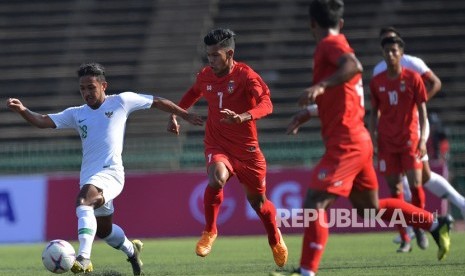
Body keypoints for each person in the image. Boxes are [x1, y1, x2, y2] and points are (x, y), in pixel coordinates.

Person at [271, 1, 452, 275]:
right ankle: (435, 224)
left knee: (315, 203)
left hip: (347, 143)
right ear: (341, 23)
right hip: (359, 138)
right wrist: (311, 110)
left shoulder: (328, 45)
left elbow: (353, 66)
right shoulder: (339, 44)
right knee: (370, 207)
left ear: (312, 24)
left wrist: (320, 85)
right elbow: (343, 96)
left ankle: (306, 271)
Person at [6, 63, 204, 275]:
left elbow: (156, 101)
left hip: (112, 174)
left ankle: (83, 258)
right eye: (82, 88)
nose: (86, 93)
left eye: (91, 87)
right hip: (89, 177)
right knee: (104, 230)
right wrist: (22, 110)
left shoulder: (121, 102)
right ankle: (132, 251)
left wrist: (184, 115)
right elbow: (43, 121)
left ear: (103, 86)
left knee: (83, 202)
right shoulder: (76, 113)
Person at [167, 28, 288, 267]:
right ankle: (210, 231)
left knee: (259, 205)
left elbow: (267, 104)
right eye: (208, 56)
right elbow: (193, 93)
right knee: (217, 178)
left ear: (229, 53)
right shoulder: (205, 76)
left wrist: (244, 116)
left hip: (247, 151)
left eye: (215, 56)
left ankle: (274, 237)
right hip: (217, 143)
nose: (210, 61)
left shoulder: (246, 76)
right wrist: (176, 114)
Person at [373, 27, 465, 245]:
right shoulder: (378, 70)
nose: (390, 48)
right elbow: (378, 103)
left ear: (399, 45)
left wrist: (413, 104)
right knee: (410, 181)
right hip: (390, 134)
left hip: (412, 130)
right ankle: (417, 226)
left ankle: (424, 223)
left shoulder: (412, 64)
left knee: (419, 178)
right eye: (385, 43)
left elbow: (435, 83)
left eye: (393, 42)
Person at [369, 36, 429, 253]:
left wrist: (422, 139)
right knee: (394, 191)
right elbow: (373, 114)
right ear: (383, 54)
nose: (391, 54)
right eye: (387, 51)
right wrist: (373, 139)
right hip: (386, 143)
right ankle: (404, 237)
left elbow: (422, 110)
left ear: (401, 54)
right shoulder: (377, 81)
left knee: (416, 185)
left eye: (394, 51)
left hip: (410, 140)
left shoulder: (413, 78)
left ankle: (420, 226)